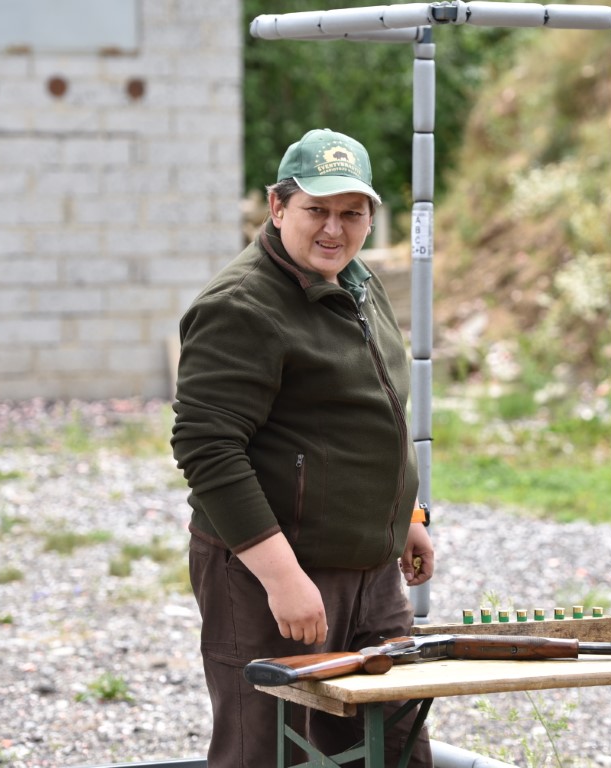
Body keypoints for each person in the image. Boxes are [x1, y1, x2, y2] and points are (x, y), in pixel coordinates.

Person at [171, 128, 435, 767]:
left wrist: (407, 518)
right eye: (317, 209)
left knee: (393, 749)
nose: (334, 229)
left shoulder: (359, 282)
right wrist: (283, 578)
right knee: (266, 753)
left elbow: (373, 415)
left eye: (352, 213)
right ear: (277, 206)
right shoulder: (241, 306)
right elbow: (207, 448)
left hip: (371, 573)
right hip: (273, 577)